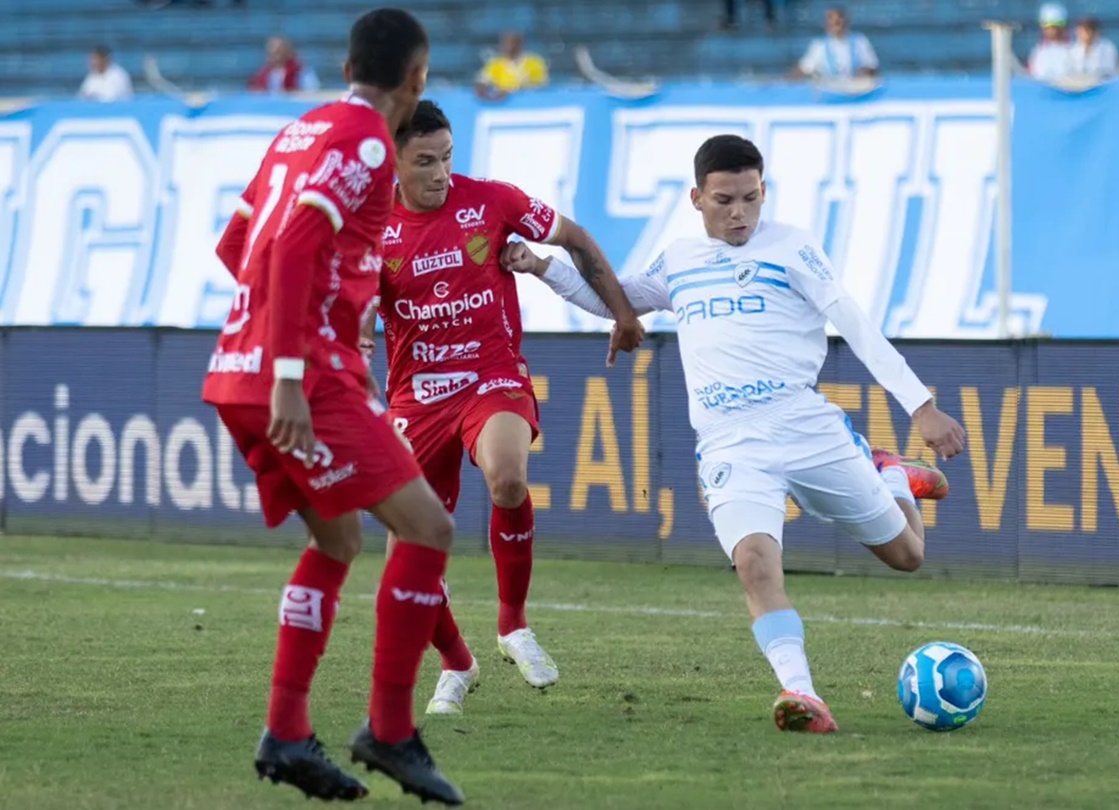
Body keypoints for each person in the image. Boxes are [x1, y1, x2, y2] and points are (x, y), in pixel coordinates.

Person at [505, 134, 964, 734]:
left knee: (908, 554)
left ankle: (893, 473)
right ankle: (801, 692)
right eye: (724, 199)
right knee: (754, 563)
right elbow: (616, 301)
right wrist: (543, 267)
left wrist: (921, 405)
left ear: (763, 191)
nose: (739, 212)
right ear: (697, 197)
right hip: (730, 444)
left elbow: (854, 321)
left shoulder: (794, 248)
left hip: (805, 429)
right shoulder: (680, 260)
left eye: (750, 198)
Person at [205, 9, 465, 805]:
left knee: (341, 536)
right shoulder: (360, 140)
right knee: (428, 526)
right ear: (416, 78)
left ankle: (285, 731)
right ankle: (389, 727)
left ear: (349, 62)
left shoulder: (300, 129)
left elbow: (236, 242)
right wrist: (295, 365)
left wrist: (284, 332)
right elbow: (289, 247)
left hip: (236, 367)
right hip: (300, 379)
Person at [362, 99, 644, 716]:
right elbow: (352, 309)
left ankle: (513, 624)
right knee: (405, 556)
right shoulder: (371, 228)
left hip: (490, 374)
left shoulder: (490, 200)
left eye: (447, 158)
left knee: (508, 474)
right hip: (416, 395)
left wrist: (623, 312)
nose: (440, 173)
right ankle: (457, 664)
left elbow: (574, 237)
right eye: (425, 162)